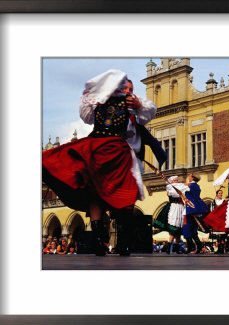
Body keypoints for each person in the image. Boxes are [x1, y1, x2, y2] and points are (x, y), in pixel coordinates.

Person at [42, 69, 162, 256]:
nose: (127, 92)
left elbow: (149, 113)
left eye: (130, 89)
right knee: (95, 196)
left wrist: (137, 105)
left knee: (127, 200)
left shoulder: (136, 107)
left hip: (126, 161)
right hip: (102, 155)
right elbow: (87, 116)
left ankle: (123, 242)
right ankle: (98, 241)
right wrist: (93, 97)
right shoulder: (101, 101)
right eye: (123, 89)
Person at [153, 176, 189, 254]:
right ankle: (168, 247)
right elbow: (175, 194)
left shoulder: (179, 187)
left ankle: (176, 248)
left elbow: (184, 191)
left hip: (180, 207)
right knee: (173, 228)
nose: (176, 181)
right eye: (175, 180)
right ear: (172, 181)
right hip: (174, 207)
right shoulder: (170, 188)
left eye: (177, 180)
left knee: (179, 229)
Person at [182, 173, 209, 254]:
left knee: (186, 228)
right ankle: (198, 245)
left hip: (190, 208)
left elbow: (179, 188)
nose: (188, 178)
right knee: (194, 229)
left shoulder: (190, 186)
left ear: (192, 178)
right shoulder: (197, 186)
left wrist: (184, 184)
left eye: (189, 176)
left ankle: (191, 246)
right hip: (196, 208)